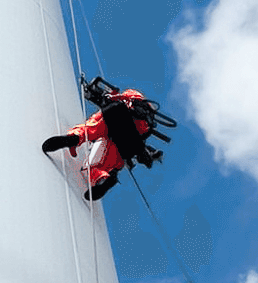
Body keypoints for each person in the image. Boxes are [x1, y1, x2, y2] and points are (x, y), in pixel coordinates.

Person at [41, 79, 170, 202]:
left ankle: (74, 138)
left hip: (114, 118)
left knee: (92, 128)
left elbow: (112, 97)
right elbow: (139, 144)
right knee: (95, 166)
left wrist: (96, 93)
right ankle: (104, 179)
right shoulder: (145, 125)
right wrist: (149, 155)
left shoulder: (132, 95)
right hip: (124, 142)